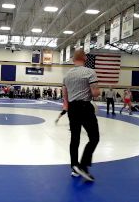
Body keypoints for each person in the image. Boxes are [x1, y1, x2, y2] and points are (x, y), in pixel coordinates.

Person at [63, 49, 100, 182]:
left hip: (72, 108)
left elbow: (65, 95)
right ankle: (83, 165)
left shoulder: (67, 75)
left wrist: (67, 106)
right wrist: (97, 90)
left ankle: (74, 167)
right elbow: (95, 93)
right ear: (84, 58)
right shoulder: (90, 72)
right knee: (94, 137)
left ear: (73, 60)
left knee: (75, 138)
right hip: (85, 107)